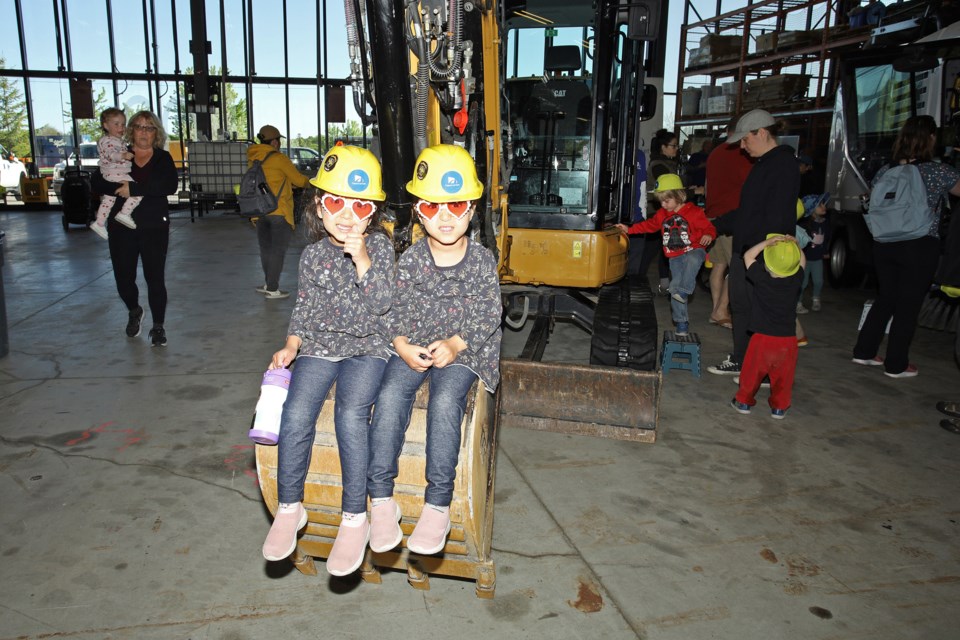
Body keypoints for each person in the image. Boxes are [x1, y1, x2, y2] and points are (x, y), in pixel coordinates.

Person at [260, 144, 394, 576]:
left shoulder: (380, 249)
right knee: (296, 413)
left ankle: (355, 516)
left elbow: (383, 305)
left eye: (359, 206)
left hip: (368, 347)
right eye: (335, 202)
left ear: (372, 212)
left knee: (350, 414)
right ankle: (289, 506)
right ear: (320, 206)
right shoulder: (313, 255)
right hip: (320, 345)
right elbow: (305, 309)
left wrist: (363, 259)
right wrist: (292, 345)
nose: (346, 214)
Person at [366, 144, 502, 557]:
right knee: (389, 395)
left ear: (472, 209)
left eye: (455, 206)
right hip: (416, 345)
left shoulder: (481, 261)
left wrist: (457, 344)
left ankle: (438, 504)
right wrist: (402, 346)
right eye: (432, 207)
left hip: (465, 349)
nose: (444, 218)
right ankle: (381, 499)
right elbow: (393, 308)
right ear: (418, 212)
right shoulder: (409, 260)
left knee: (446, 402)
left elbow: (489, 311)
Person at [852, 115, 960, 377]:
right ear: (931, 138)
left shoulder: (885, 171)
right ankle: (896, 364)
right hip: (920, 244)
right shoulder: (939, 172)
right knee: (908, 304)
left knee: (886, 297)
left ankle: (864, 352)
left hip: (885, 242)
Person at [708, 109, 800, 376]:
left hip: (762, 253)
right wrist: (715, 225)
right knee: (741, 307)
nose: (743, 147)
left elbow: (775, 218)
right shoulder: (763, 164)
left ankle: (763, 371)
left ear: (762, 133)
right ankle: (742, 359)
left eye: (745, 140)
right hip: (746, 248)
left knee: (761, 313)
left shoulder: (782, 165)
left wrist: (760, 255)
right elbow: (748, 211)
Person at [90, 110, 178, 347]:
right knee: (123, 278)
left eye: (149, 128)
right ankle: (134, 310)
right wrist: (119, 184)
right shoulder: (118, 153)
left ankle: (158, 326)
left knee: (155, 278)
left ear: (156, 133)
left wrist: (134, 189)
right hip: (121, 227)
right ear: (130, 130)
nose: (143, 132)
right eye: (139, 127)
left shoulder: (162, 158)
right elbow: (96, 180)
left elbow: (169, 185)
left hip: (153, 226)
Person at [617, 173, 715, 336]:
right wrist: (630, 229)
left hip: (695, 249)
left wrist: (709, 235)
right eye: (660, 201)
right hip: (675, 255)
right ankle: (681, 323)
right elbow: (649, 225)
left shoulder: (694, 212)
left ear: (679, 195)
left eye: (666, 200)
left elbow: (709, 228)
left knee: (691, 260)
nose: (663, 204)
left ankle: (684, 289)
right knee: (674, 289)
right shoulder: (662, 214)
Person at [730, 235, 805, 419]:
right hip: (787, 341)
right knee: (783, 378)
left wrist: (766, 244)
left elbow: (748, 256)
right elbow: (802, 262)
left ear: (768, 264)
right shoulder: (795, 281)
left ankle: (743, 402)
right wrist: (796, 246)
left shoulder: (762, 280)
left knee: (751, 373)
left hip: (762, 339)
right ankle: (779, 408)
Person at [248, 124, 309, 300]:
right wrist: (310, 182)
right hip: (279, 210)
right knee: (277, 251)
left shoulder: (253, 158)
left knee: (265, 249)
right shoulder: (279, 159)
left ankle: (268, 283)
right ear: (274, 142)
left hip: (259, 210)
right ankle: (273, 289)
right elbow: (298, 180)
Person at [705, 115, 754, 329]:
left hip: (713, 215)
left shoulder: (715, 152)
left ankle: (716, 310)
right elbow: (749, 186)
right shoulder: (741, 153)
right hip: (732, 217)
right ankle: (721, 310)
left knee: (718, 266)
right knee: (737, 266)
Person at [637, 129, 680, 294]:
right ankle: (638, 283)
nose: (676, 149)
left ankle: (664, 283)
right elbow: (670, 191)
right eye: (673, 146)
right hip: (657, 213)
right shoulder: (659, 166)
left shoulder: (667, 164)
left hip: (664, 212)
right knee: (651, 250)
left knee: (664, 248)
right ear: (663, 147)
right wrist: (691, 192)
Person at [89, 108, 139, 239]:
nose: (121, 127)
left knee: (108, 200)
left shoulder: (117, 140)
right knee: (137, 191)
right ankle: (125, 213)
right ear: (106, 125)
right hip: (116, 173)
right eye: (116, 124)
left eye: (123, 124)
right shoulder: (108, 141)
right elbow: (111, 154)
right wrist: (123, 155)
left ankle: (99, 222)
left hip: (112, 173)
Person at [796, 193, 829, 314]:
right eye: (819, 205)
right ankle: (798, 302)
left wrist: (825, 251)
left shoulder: (825, 222)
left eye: (824, 204)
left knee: (819, 280)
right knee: (802, 282)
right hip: (805, 258)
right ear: (811, 209)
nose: (823, 206)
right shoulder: (805, 224)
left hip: (817, 258)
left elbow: (826, 238)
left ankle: (816, 298)